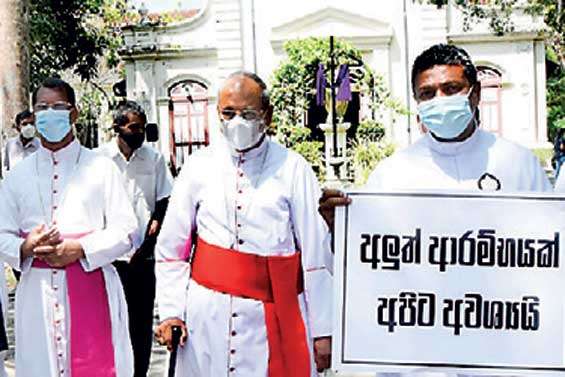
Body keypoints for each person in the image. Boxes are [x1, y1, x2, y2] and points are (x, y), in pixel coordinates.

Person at [154, 71, 333, 376]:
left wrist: (323, 331)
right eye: (228, 113)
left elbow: (316, 257)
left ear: (268, 115)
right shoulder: (198, 166)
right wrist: (172, 312)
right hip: (207, 317)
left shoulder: (293, 168)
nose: (237, 121)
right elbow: (172, 250)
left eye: (248, 113)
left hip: (273, 317)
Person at [320, 43, 551, 229]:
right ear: (417, 101)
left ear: (476, 93)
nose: (439, 100)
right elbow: (365, 258)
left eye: (451, 89)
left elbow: (551, 241)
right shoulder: (391, 175)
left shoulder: (519, 164)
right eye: (427, 93)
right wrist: (340, 230)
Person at [0, 77, 138, 377]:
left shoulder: (100, 168)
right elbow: (1, 234)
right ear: (34, 116)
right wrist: (26, 247)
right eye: (42, 108)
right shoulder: (17, 176)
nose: (50, 113)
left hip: (91, 281)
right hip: (37, 293)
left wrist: (79, 248)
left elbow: (127, 229)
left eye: (58, 107)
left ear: (73, 114)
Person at [98, 100, 173, 377]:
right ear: (118, 127)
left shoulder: (153, 159)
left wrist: (153, 231)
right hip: (108, 260)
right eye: (134, 127)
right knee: (110, 324)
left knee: (139, 327)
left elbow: (165, 200)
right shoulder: (98, 160)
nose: (139, 132)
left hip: (143, 258)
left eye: (142, 127)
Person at [2, 109, 40, 175]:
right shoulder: (10, 145)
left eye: (31, 123)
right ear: (18, 126)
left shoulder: (41, 146)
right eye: (24, 124)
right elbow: (6, 168)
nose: (29, 127)